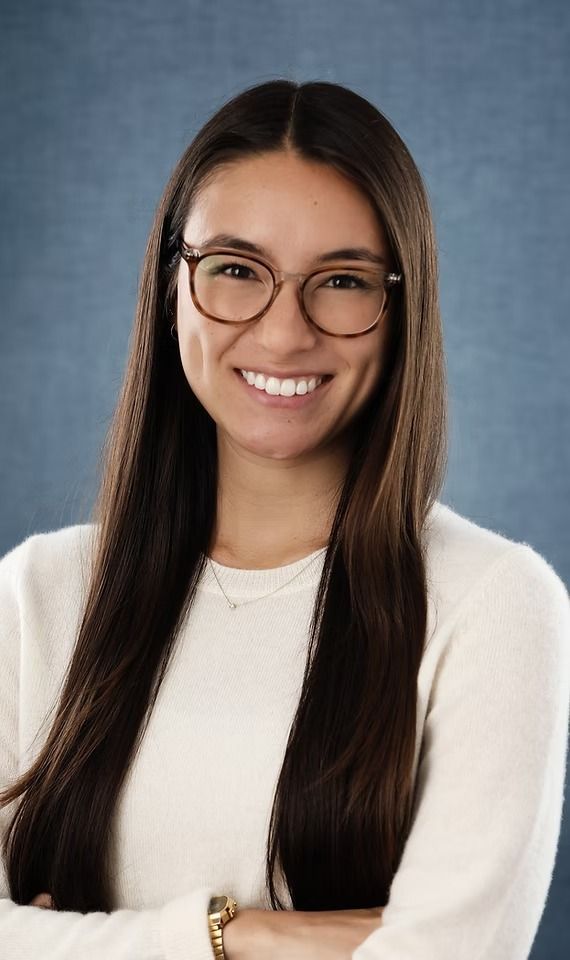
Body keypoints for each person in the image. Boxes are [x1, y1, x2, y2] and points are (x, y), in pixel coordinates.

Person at [0, 79, 568, 960]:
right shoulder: (35, 594)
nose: (283, 333)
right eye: (236, 269)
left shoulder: (493, 603)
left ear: (403, 308)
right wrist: (232, 934)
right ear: (170, 284)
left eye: (341, 282)